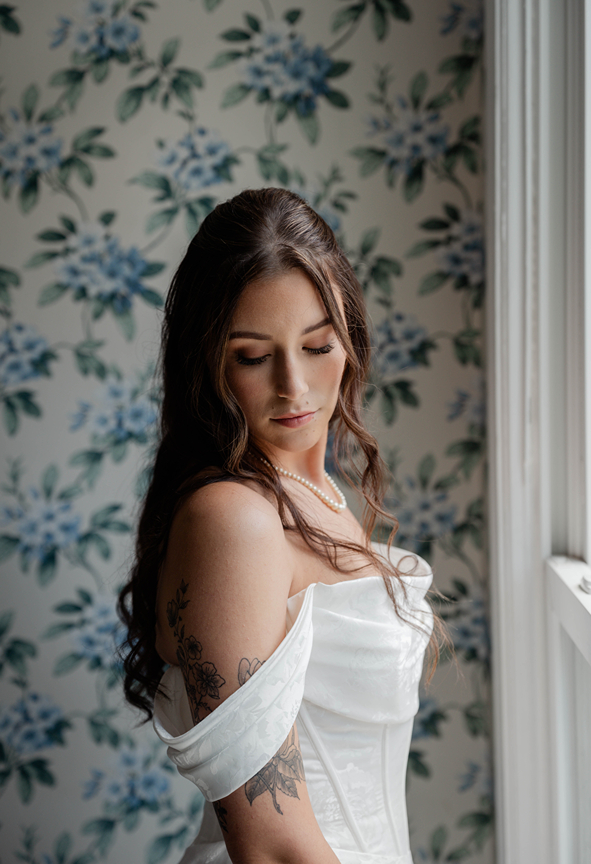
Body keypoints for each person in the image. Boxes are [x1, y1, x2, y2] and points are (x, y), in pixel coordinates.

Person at [119, 187, 436, 864]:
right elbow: (268, 842)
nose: (295, 385)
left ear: (347, 336)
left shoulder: (318, 493)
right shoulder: (234, 518)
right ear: (208, 366)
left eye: (317, 344)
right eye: (254, 356)